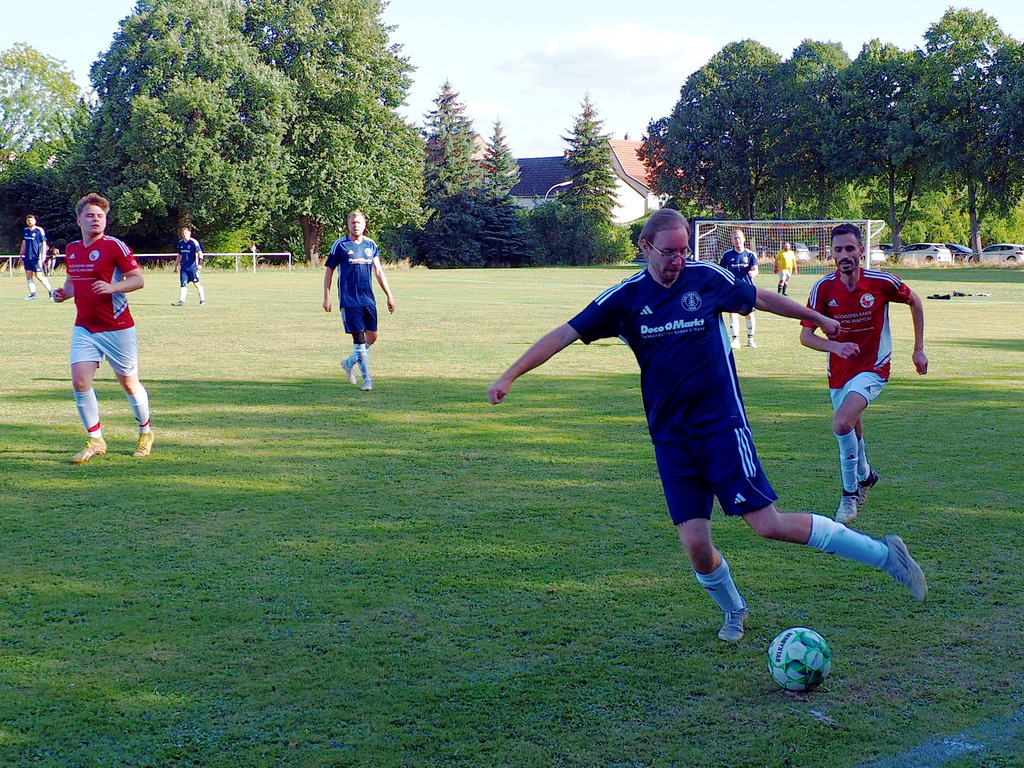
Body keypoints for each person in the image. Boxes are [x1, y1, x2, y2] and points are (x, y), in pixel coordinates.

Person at [487, 209, 926, 643]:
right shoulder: (625, 298)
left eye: (684, 251)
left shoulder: (706, 278)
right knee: (696, 546)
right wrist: (509, 376)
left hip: (721, 426)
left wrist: (820, 320)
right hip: (671, 439)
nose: (678, 260)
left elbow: (761, 298)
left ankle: (884, 554)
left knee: (768, 525)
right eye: (669, 252)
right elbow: (563, 334)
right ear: (645, 247)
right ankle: (734, 609)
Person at [800, 223, 927, 525]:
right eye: (838, 249)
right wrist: (836, 347)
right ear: (831, 253)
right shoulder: (823, 288)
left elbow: (915, 301)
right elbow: (806, 336)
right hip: (840, 371)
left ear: (861, 250)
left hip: (874, 366)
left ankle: (850, 493)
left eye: (850, 248)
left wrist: (918, 348)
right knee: (852, 428)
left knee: (842, 422)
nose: (844, 255)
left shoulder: (881, 282)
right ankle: (866, 475)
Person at [51, 193, 154, 463]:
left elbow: (138, 280)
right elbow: (73, 282)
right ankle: (95, 440)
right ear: (79, 221)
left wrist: (112, 287)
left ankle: (145, 433)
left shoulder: (115, 246)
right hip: (85, 327)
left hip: (117, 327)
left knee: (129, 383)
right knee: (80, 381)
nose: (96, 219)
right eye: (90, 215)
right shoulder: (72, 249)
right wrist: (64, 293)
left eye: (100, 215)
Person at [322, 211, 396, 392]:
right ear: (348, 225)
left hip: (368, 299)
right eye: (353, 222)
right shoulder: (340, 245)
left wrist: (389, 295)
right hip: (349, 300)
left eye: (359, 222)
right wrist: (327, 297)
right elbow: (329, 271)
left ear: (365, 225)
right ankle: (367, 379)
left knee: (372, 337)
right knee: (360, 341)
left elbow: (378, 272)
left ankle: (349, 363)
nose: (356, 225)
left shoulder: (371, 245)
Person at [719, 228, 759, 348]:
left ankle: (750, 339)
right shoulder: (727, 255)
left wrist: (753, 272)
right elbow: (722, 271)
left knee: (749, 314)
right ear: (732, 240)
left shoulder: (750, 255)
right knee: (733, 313)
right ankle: (735, 339)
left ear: (744, 239)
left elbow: (756, 268)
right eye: (735, 238)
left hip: (747, 289)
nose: (737, 240)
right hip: (732, 289)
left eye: (739, 238)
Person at [19, 214, 53, 300]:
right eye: (28, 220)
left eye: (31, 220)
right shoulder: (25, 230)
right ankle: (33, 295)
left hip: (36, 257)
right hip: (28, 257)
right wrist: (21, 255)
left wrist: (43, 254)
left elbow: (44, 243)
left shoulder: (39, 230)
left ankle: (51, 293)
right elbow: (24, 243)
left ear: (35, 221)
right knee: (28, 274)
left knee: (39, 276)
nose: (30, 222)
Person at [171, 227, 205, 306]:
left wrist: (200, 264)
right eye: (183, 233)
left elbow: (200, 254)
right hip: (184, 268)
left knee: (196, 283)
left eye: (186, 233)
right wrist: (176, 266)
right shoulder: (181, 243)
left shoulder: (194, 242)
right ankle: (181, 301)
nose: (184, 235)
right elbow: (179, 255)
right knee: (183, 283)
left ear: (189, 233)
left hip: (193, 268)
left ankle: (202, 300)